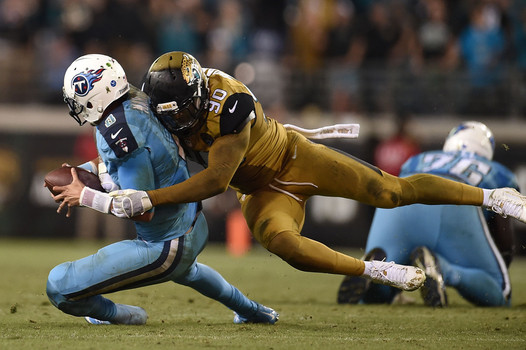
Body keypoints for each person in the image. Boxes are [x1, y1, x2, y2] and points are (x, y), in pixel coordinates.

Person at [110, 51, 526, 293]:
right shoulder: (158, 113)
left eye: (188, 105)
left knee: (391, 192)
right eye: (175, 112)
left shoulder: (228, 100)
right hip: (258, 191)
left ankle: (496, 198)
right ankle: (376, 271)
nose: (184, 116)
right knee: (285, 246)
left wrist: (149, 197)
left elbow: (216, 180)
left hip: (294, 157)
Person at [46, 54, 278, 325]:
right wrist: (83, 171)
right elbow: (132, 159)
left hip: (165, 244)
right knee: (189, 271)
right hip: (191, 221)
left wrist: (83, 195)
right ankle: (252, 310)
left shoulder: (117, 131)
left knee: (59, 286)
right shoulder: (135, 101)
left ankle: (122, 316)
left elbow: (140, 210)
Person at [338, 121, 517, 307]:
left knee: (386, 273)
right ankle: (443, 270)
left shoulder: (418, 159)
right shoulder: (499, 173)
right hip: (455, 203)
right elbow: (504, 240)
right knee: (500, 294)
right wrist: (499, 265)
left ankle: (374, 271)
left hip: (403, 193)